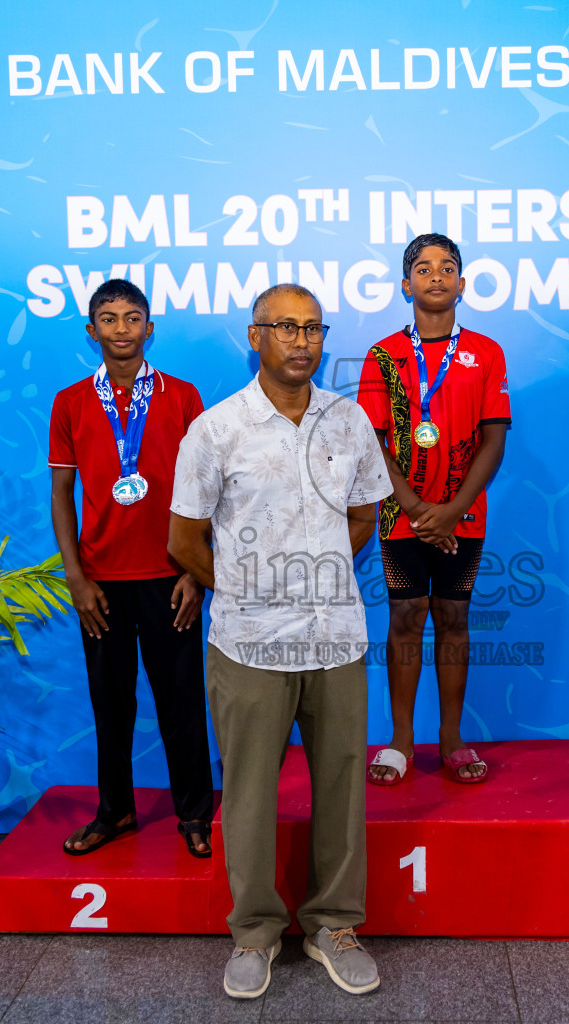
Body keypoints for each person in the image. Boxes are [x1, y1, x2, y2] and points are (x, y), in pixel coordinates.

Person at [168, 284, 393, 1000]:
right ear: (255, 336)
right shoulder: (216, 429)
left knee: (339, 785)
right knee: (250, 793)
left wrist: (319, 575)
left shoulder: (349, 419)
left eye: (313, 328)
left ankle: (333, 925)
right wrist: (242, 589)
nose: (302, 340)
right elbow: (183, 537)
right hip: (250, 646)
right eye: (285, 328)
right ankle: (255, 934)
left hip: (336, 639)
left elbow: (365, 512)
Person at [48, 278, 214, 859]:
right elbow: (61, 493)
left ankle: (196, 812)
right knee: (110, 707)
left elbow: (207, 491)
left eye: (132, 317)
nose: (122, 328)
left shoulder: (184, 396)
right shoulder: (69, 402)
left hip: (172, 579)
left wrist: (196, 571)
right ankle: (114, 812)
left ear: (150, 328)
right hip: (101, 586)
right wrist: (76, 577)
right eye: (109, 318)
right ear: (91, 331)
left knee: (182, 704)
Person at [356, 233, 511, 786]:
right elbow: (374, 442)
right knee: (404, 618)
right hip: (402, 514)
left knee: (453, 618)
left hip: (464, 514)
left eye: (448, 268)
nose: (437, 276)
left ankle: (451, 739)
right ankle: (400, 740)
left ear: (463, 284)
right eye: (424, 268)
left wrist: (452, 510)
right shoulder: (381, 357)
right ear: (406, 285)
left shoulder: (486, 353)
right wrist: (422, 510)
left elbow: (494, 439)